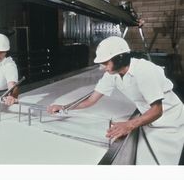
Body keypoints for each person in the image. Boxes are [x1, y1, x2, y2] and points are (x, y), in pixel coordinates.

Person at [47, 36, 184, 165]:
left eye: (105, 63)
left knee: (162, 165)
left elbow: (157, 110)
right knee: (145, 164)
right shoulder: (112, 74)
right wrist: (64, 107)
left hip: (169, 122)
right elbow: (91, 100)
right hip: (148, 120)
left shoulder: (144, 70)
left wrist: (128, 125)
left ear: (120, 58)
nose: (102, 68)